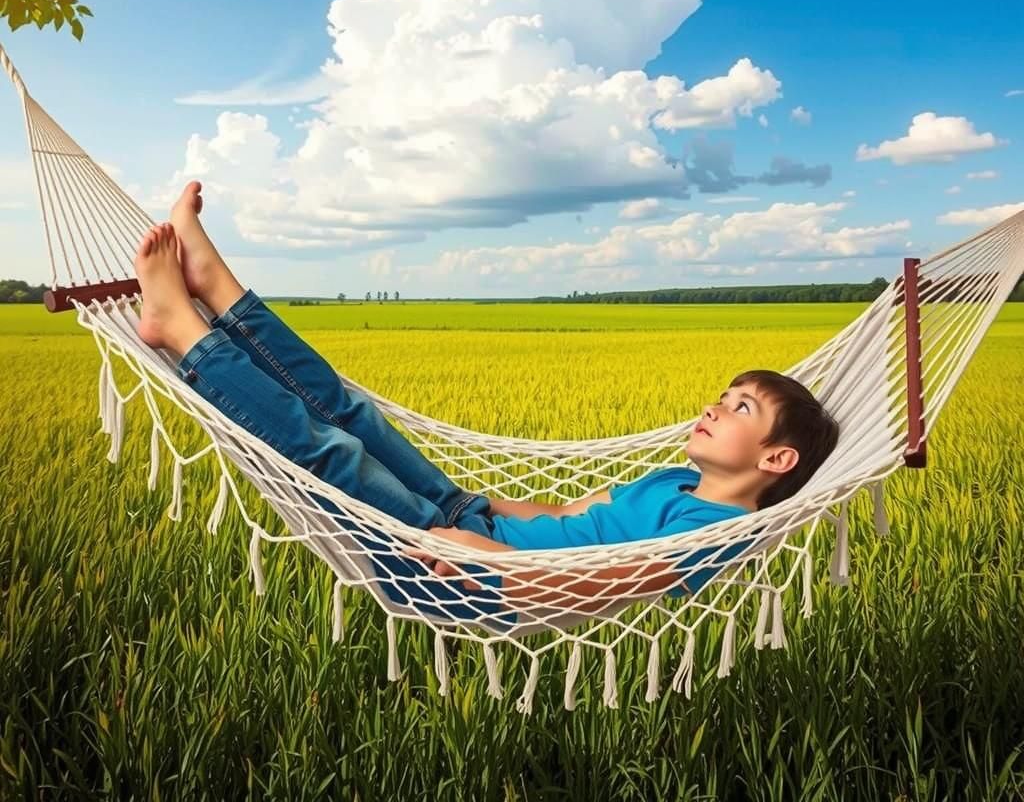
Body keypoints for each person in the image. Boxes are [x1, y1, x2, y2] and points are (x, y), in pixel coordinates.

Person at [133, 181, 840, 621]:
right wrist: (487, 510)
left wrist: (488, 558)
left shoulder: (716, 532)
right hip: (469, 525)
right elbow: (573, 516)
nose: (716, 407)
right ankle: (217, 286)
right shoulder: (678, 481)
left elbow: (604, 583)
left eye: (741, 408)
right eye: (724, 396)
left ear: (778, 457)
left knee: (332, 451)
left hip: (462, 576)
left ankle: (186, 332)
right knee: (354, 413)